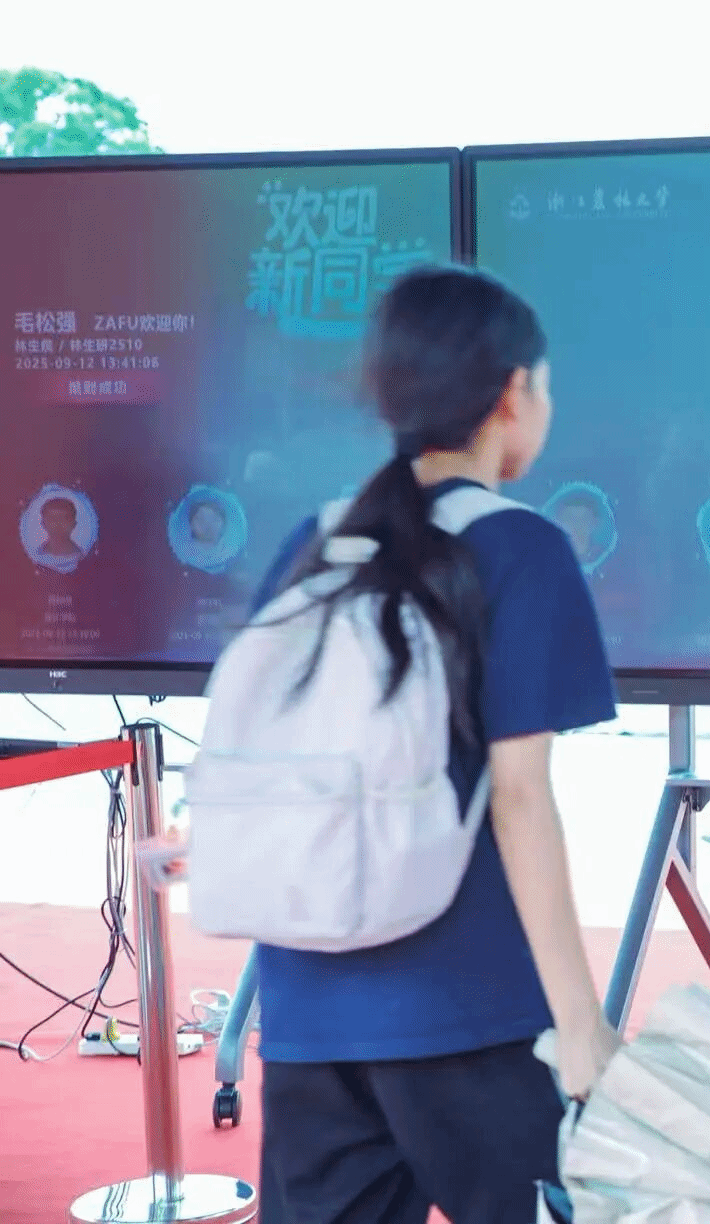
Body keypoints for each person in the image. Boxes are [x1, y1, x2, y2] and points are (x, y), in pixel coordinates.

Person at [247, 266, 622, 1223]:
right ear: (513, 393)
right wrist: (580, 1022)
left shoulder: (314, 539)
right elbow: (519, 797)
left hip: (306, 1011)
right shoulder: (522, 548)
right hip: (469, 1008)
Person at [33, 495, 88, 572]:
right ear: (43, 524)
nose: (58, 524)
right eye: (52, 519)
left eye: (65, 518)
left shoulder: (83, 560)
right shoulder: (36, 558)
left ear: (74, 524)